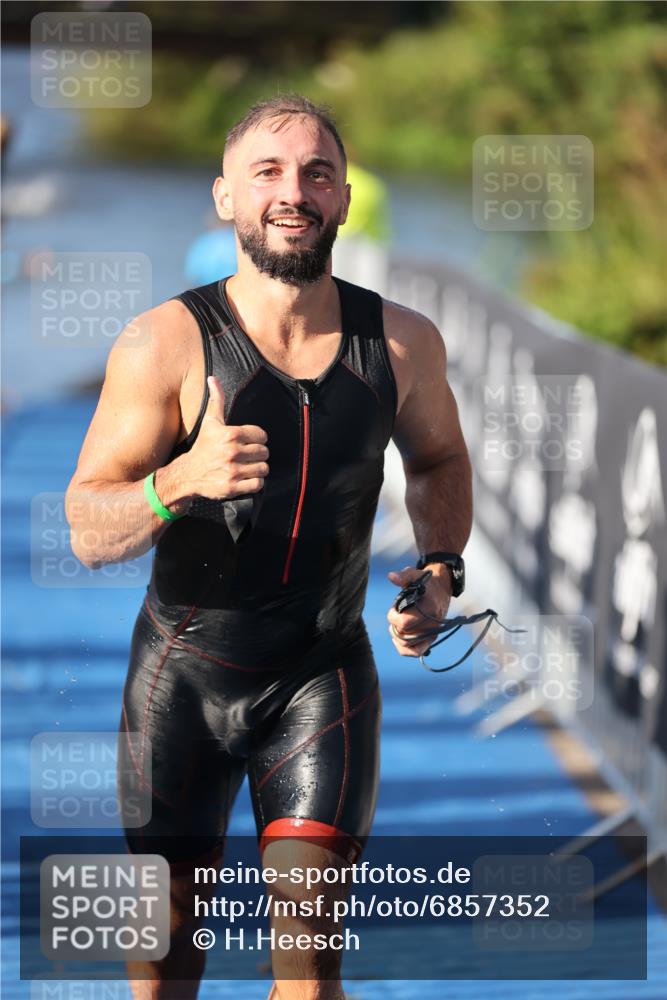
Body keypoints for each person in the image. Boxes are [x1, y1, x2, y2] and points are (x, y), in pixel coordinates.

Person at [65, 95, 472, 1000]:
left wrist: (440, 569)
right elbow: (87, 531)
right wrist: (179, 480)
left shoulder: (400, 342)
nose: (295, 192)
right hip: (179, 683)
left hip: (320, 676)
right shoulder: (163, 343)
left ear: (344, 198)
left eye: (316, 173)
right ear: (225, 199)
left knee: (309, 960)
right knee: (165, 967)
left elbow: (439, 458)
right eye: (269, 173)